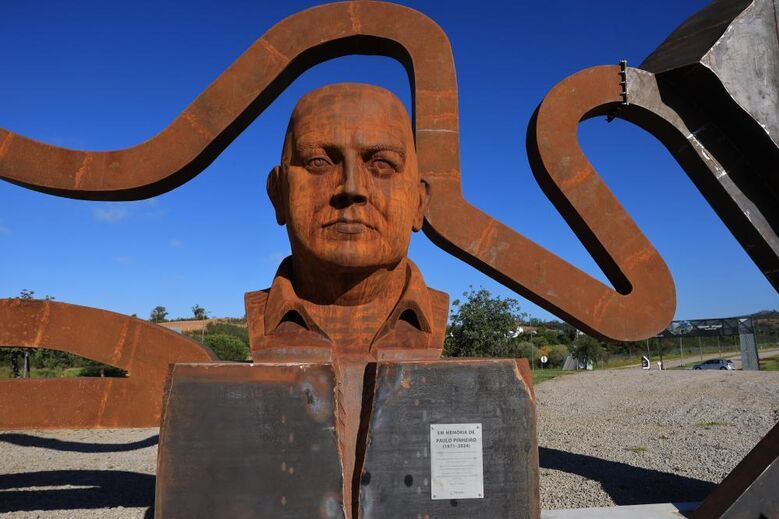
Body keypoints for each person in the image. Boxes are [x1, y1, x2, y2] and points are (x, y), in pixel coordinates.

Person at [246, 83, 448, 362]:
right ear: (278, 194)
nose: (351, 188)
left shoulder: (438, 316)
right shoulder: (257, 315)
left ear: (418, 202)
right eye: (318, 162)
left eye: (382, 164)